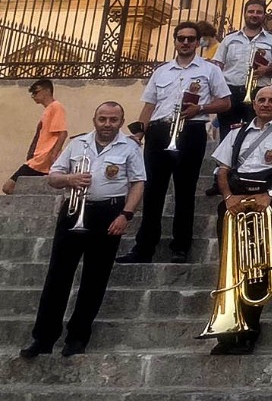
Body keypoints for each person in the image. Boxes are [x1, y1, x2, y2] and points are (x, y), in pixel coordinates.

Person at [19, 102, 145, 359]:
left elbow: (138, 182)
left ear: (121, 122)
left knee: (94, 279)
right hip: (74, 212)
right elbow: (53, 176)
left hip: (109, 213)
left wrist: (126, 215)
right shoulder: (77, 144)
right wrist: (69, 180)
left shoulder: (130, 148)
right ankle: (43, 338)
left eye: (113, 119)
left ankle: (77, 337)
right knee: (57, 276)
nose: (107, 124)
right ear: (94, 119)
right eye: (102, 119)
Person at [208, 84, 272, 354]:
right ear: (255, 104)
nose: (265, 104)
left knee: (258, 265)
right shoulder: (236, 133)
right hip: (234, 203)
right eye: (261, 99)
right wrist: (228, 198)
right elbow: (223, 170)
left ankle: (250, 328)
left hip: (265, 202)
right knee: (230, 262)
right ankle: (226, 331)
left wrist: (271, 194)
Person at [121, 23, 231, 264]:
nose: (185, 42)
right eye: (181, 38)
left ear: (197, 42)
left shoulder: (209, 70)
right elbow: (149, 105)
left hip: (191, 131)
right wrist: (139, 133)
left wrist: (200, 108)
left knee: (185, 191)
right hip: (160, 132)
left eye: (190, 39)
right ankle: (144, 247)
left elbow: (225, 103)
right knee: (153, 191)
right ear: (175, 41)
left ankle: (180, 247)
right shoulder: (161, 71)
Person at [213, 0, 272, 135]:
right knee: (227, 133)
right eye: (251, 11)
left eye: (259, 12)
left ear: (264, 16)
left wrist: (267, 70)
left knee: (255, 133)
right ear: (245, 14)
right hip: (230, 91)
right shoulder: (229, 39)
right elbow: (217, 66)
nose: (254, 15)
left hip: (259, 93)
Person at [6, 78, 67, 195]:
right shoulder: (49, 109)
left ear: (47, 91)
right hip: (39, 158)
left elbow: (62, 133)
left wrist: (54, 154)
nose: (33, 96)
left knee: (9, 187)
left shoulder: (56, 106)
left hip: (42, 159)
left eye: (36, 92)